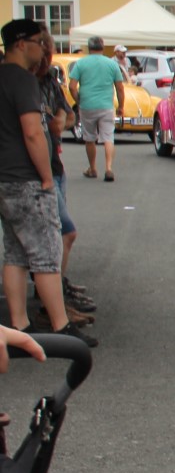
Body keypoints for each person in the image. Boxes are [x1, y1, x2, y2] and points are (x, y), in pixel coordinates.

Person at [0, 19, 90, 347]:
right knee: (46, 251)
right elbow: (31, 130)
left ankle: (19, 325)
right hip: (26, 179)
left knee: (14, 252)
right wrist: (47, 177)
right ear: (20, 43)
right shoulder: (22, 81)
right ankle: (60, 325)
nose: (44, 48)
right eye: (39, 41)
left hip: (5, 179)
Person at [34, 32, 94, 329]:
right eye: (43, 53)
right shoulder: (19, 83)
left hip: (54, 167)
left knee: (54, 237)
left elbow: (69, 117)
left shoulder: (49, 82)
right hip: (35, 173)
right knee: (63, 234)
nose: (47, 60)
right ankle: (51, 305)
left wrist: (59, 119)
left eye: (50, 54)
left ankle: (54, 295)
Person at [68, 35, 125, 182]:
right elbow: (120, 88)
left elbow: (72, 87)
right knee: (108, 137)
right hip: (106, 105)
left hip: (87, 105)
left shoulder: (81, 64)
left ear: (89, 47)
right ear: (102, 46)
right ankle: (109, 168)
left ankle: (92, 168)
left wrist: (78, 99)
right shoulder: (112, 64)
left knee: (89, 138)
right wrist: (121, 106)